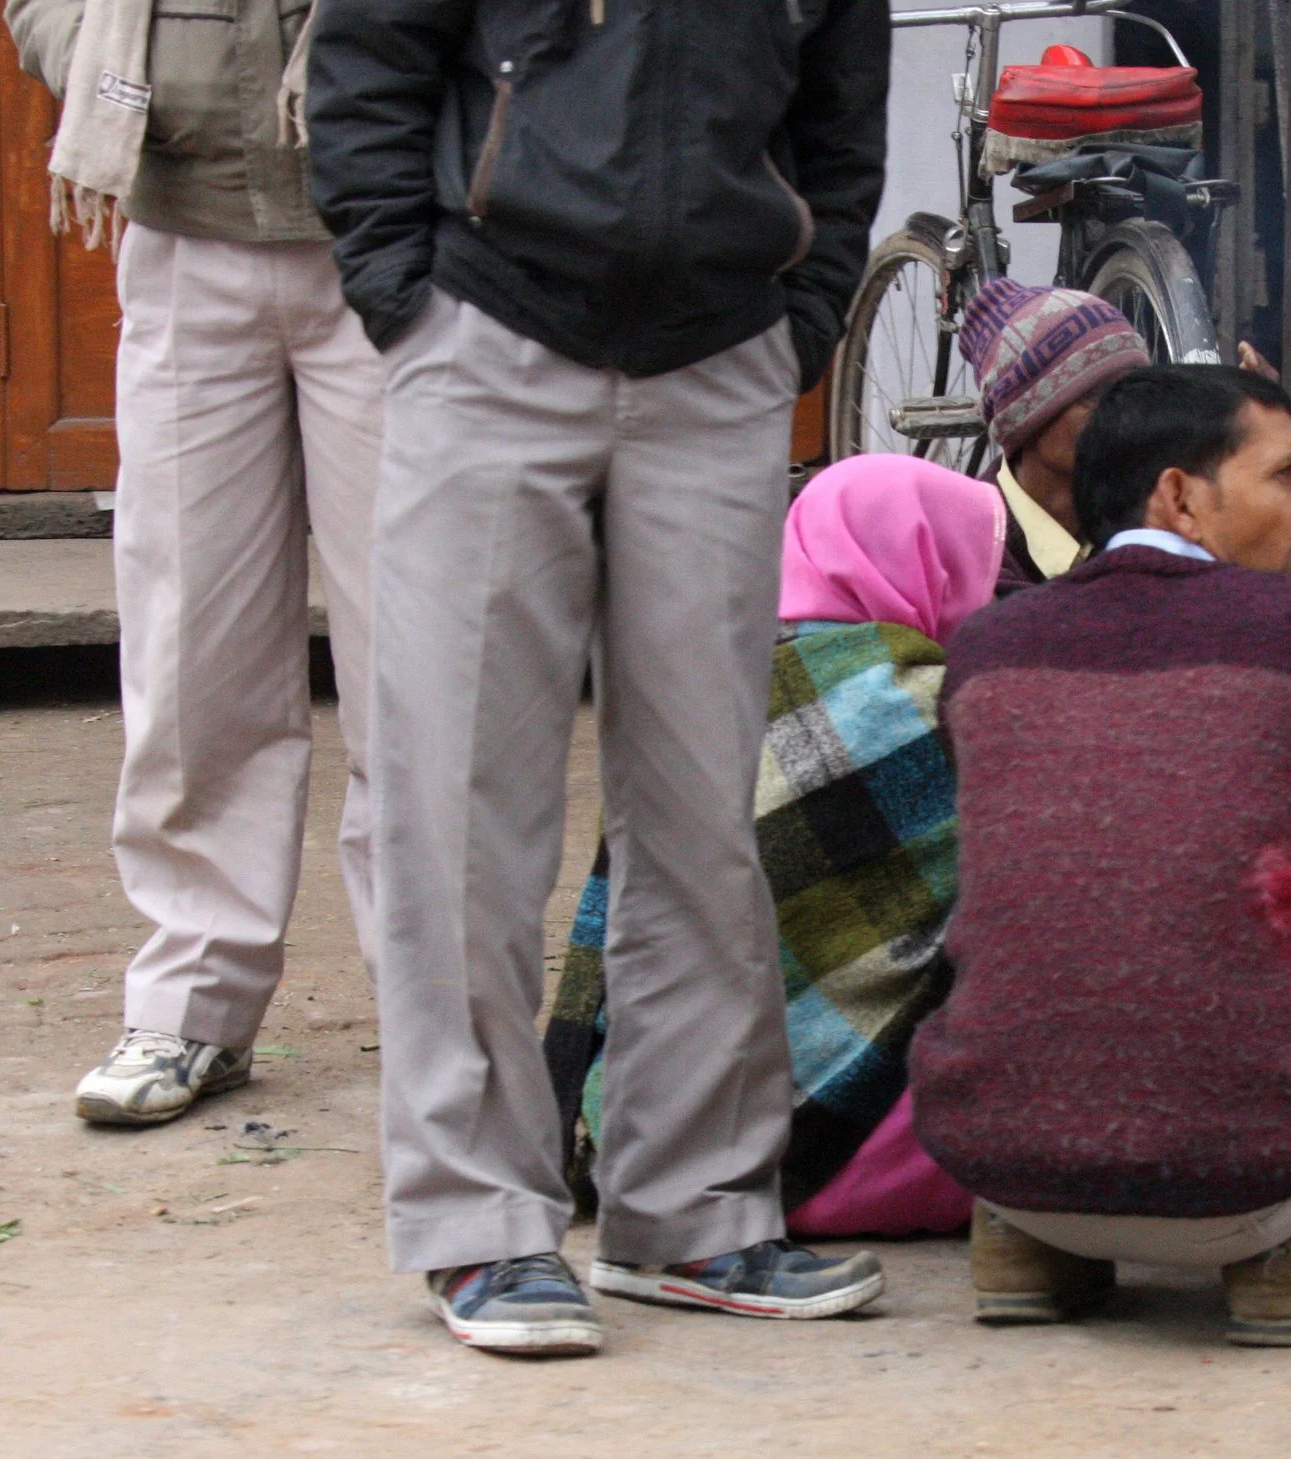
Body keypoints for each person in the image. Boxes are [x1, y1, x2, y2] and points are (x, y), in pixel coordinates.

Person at [308, 0, 892, 1354]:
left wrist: (797, 321)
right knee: (458, 814)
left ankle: (692, 1209)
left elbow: (839, 128)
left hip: (720, 364)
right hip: (490, 336)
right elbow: (365, 65)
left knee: (699, 812)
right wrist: (402, 288)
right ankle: (482, 1225)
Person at [910, 365, 1291, 1349]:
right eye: (1283, 477)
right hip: (1251, 1187)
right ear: (1180, 494)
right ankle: (1280, 1252)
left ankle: (1027, 1248)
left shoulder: (986, 642)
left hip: (1003, 1164)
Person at [10, 0, 385, 1128]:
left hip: (394, 238)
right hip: (184, 227)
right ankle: (193, 1003)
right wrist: (131, 73)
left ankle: (439, 1013)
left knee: (421, 657)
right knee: (189, 642)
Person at [545, 456, 994, 1248]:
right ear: (936, 564)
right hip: (865, 1155)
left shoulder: (691, 700)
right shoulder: (945, 708)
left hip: (649, 1143)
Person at [957, 278, 1152, 594]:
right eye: (1096, 394)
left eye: (1133, 390)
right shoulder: (965, 552)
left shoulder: (1153, 517)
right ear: (1024, 420)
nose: (1126, 413)